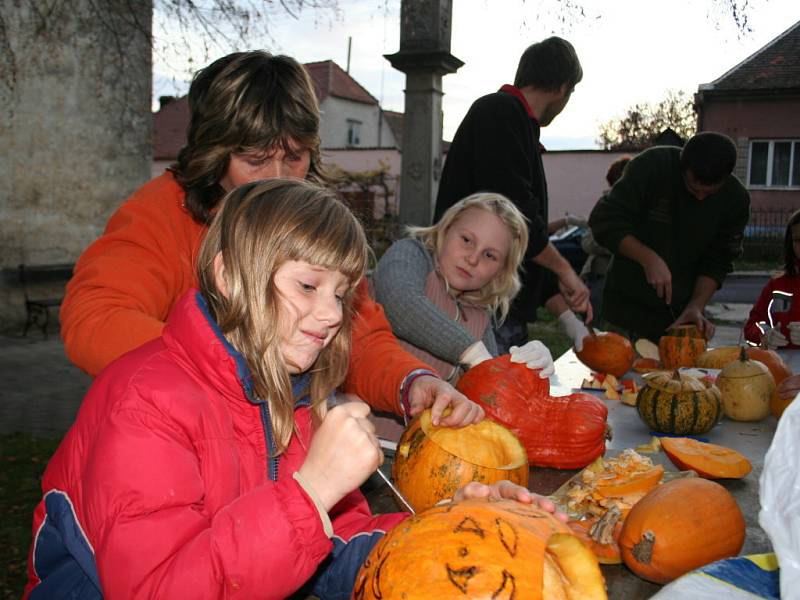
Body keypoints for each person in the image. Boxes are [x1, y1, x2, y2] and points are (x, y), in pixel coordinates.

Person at [25, 180, 560, 599]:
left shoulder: (294, 394)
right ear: (231, 275)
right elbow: (154, 589)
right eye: (308, 285)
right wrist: (310, 493)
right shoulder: (145, 401)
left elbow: (337, 547)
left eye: (342, 294)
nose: (331, 315)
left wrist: (445, 530)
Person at [59, 50, 481, 428]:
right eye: (255, 160)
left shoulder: (311, 221)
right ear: (215, 154)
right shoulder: (162, 212)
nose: (278, 179)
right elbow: (96, 317)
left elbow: (358, 335)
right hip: (172, 434)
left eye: (294, 158)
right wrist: (236, 367)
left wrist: (411, 383)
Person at [434, 36, 592, 356]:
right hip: (477, 308)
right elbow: (517, 221)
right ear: (564, 88)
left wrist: (567, 318)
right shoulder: (500, 112)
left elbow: (524, 247)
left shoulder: (517, 125)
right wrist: (565, 270)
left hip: (502, 311)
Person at [374, 192, 555, 385]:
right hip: (355, 412)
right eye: (467, 240)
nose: (473, 258)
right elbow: (400, 303)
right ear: (445, 229)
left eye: (489, 255)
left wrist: (528, 369)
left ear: (500, 273)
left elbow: (491, 390)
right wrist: (472, 353)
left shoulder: (479, 318)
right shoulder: (410, 255)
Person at [589, 132, 751, 342]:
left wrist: (696, 306)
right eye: (693, 187)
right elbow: (604, 220)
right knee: (613, 368)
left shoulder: (735, 200)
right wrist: (648, 259)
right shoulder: (653, 166)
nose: (700, 196)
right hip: (623, 308)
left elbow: (718, 260)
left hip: (677, 317)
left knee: (673, 373)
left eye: (708, 192)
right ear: (682, 167)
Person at [579, 155, 632, 321]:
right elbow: (588, 242)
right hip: (599, 277)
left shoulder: (639, 206)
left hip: (625, 282)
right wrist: (619, 244)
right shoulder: (606, 205)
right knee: (595, 332)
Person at [744, 209, 800, 349]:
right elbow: (752, 325)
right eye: (798, 240)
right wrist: (764, 335)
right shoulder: (778, 284)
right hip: (779, 366)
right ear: (790, 243)